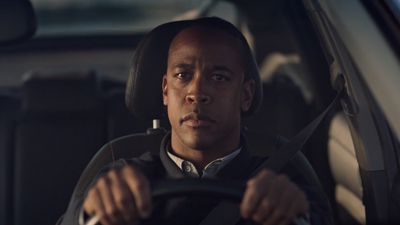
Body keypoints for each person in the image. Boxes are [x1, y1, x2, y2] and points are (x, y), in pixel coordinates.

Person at [81, 17, 331, 225]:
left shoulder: (281, 180)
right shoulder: (120, 178)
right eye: (183, 75)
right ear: (166, 91)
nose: (197, 92)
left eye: (219, 77)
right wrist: (91, 213)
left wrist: (299, 215)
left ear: (245, 95)